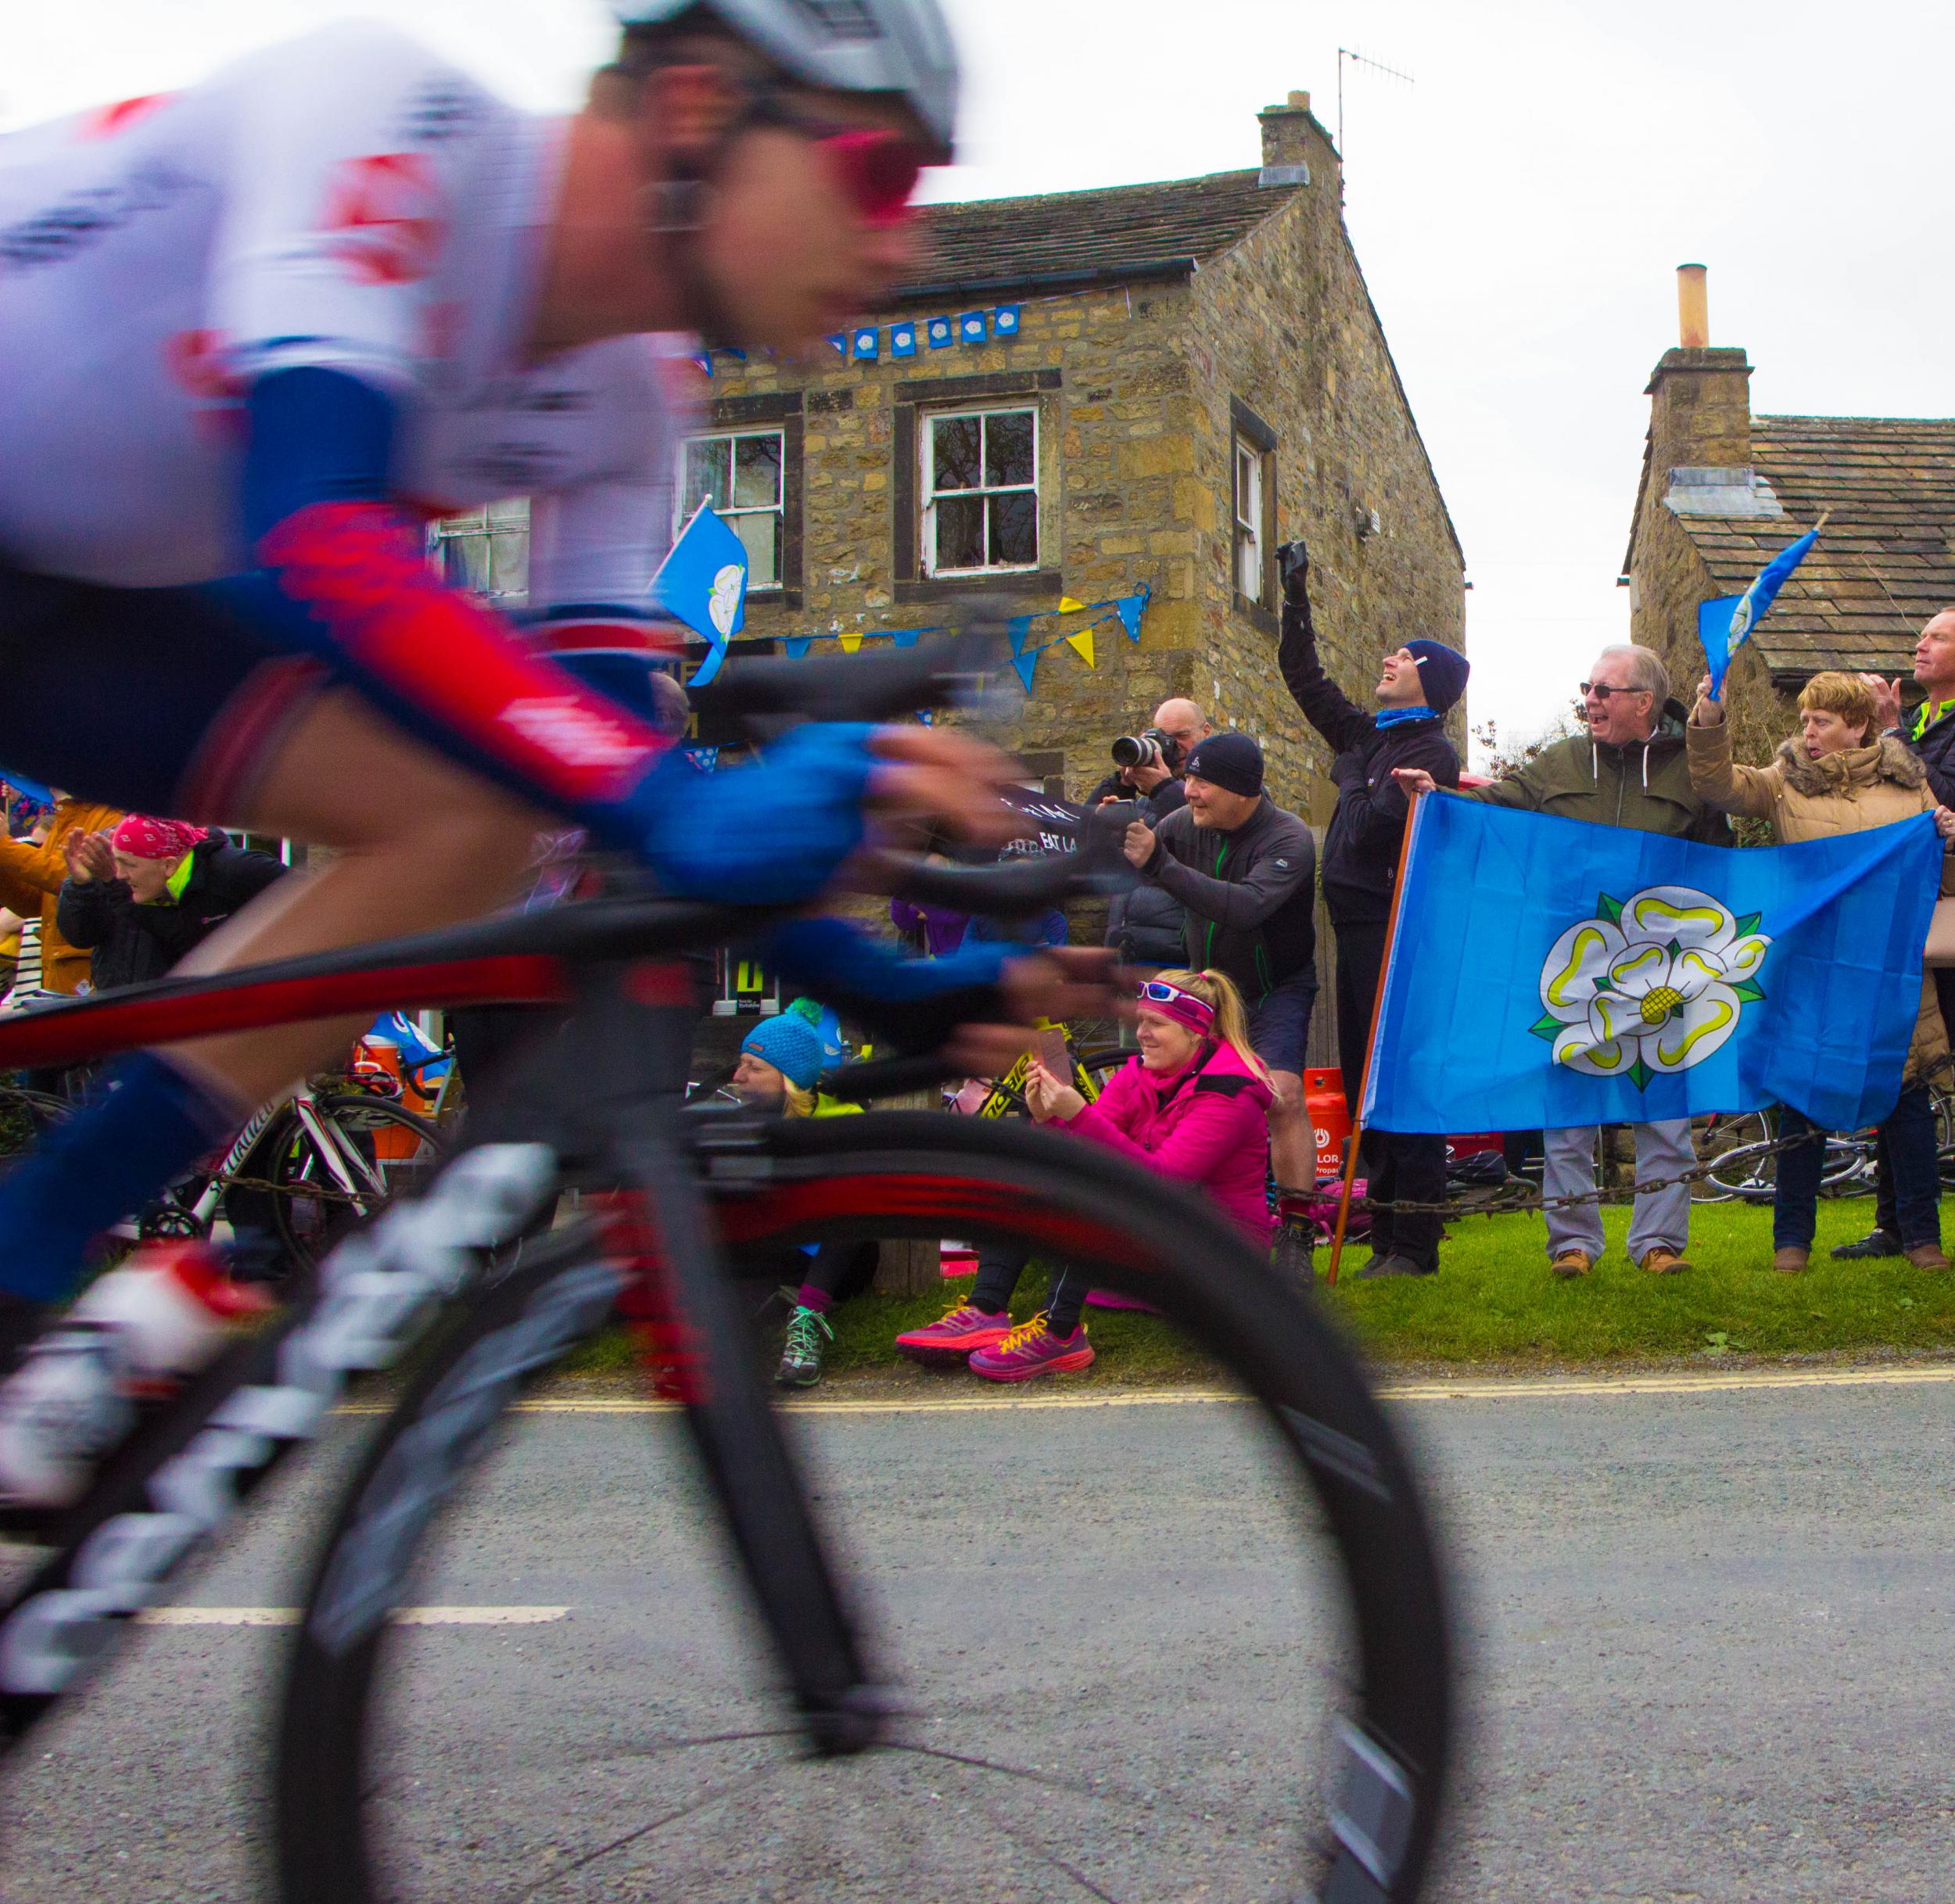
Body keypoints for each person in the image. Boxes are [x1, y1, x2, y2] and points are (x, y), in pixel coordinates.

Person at [0, 2, 1117, 1501]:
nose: (900, 242)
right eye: (872, 173)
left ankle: (38, 1287)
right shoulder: (387, 122)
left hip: (72, 583)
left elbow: (596, 774)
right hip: (130, 555)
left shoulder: (625, 387)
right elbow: (323, 531)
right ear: (697, 105)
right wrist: (684, 808)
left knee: (464, 816)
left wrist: (878, 983)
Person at [1397, 644, 1729, 1278]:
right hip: (1573, 965)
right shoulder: (1561, 761)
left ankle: (1659, 1243)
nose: (1591, 699)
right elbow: (1499, 804)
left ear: (1644, 702)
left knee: (1662, 1103)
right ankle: (1572, 1243)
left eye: (1605, 690)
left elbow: (1723, 862)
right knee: (1567, 1109)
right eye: (1588, 688)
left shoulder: (1691, 770)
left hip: (1665, 968)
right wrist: (1438, 795)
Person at [1688, 670, 1955, 1271]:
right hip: (1811, 972)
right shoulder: (1785, 783)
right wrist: (1709, 721)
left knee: (1905, 1100)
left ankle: (1922, 1240)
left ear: (1857, 726)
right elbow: (1719, 785)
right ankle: (1791, 1245)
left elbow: (1941, 883)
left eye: (1822, 721)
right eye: (1804, 720)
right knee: (1801, 1104)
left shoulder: (1913, 789)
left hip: (1889, 974)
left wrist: (1951, 840)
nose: (1807, 732)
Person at [898, 970, 1273, 1381]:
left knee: (1100, 1193)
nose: (1142, 1033)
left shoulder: (1231, 1091)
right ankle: (985, 1310)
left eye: (1157, 1024)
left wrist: (1076, 1113)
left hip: (1220, 1260)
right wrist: (1047, 1119)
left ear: (1196, 1034)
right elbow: (1086, 1149)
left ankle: (1060, 1333)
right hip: (1168, 1235)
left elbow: (1162, 1180)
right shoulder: (1139, 1071)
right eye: (1141, 1020)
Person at [1276, 538, 1467, 1277]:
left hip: (1395, 932)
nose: (1389, 658)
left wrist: (1352, 773)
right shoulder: (1369, 736)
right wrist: (1296, 598)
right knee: (1362, 1083)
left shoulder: (1432, 754)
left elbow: (1357, 827)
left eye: (1406, 656)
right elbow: (1304, 677)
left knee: (1399, 1079)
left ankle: (1416, 1241)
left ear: (1431, 682)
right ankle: (1383, 1231)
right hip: (1355, 928)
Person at [1120, 732, 1319, 1197]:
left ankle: (1295, 1228)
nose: (1189, 791)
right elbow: (1133, 856)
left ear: (1241, 790)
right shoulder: (1185, 822)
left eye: (1202, 782)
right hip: (1207, 991)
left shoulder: (1288, 837)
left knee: (1281, 1095)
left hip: (1273, 989)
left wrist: (1159, 866)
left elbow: (1246, 907)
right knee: (1191, 1100)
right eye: (1188, 778)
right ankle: (1200, 1220)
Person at [1842, 611, 1955, 1259]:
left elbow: (1936, 797)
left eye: (1937, 637)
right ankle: (1896, 1223)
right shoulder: (1915, 724)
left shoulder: (1908, 731)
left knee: (1928, 1072)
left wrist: (1888, 733)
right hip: (1903, 921)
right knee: (1898, 1070)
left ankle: (1916, 1226)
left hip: (1944, 924)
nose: (1920, 643)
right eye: (1921, 635)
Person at [723, 999, 875, 1387]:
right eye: (741, 1063)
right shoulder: (743, 1122)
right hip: (780, 1252)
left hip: (838, 1257)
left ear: (790, 1080)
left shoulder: (843, 1119)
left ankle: (806, 1321)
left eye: (754, 1068)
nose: (738, 1076)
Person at [56, 816, 286, 995]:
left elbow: (190, 942)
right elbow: (81, 936)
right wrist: (80, 886)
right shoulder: (110, 851)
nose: (122, 874)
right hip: (123, 1013)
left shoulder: (230, 869)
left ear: (169, 864)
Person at [0, 788, 125, 998]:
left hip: (92, 969)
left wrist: (4, 847)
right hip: (58, 969)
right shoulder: (65, 817)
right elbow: (33, 903)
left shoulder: (113, 814)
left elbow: (73, 878)